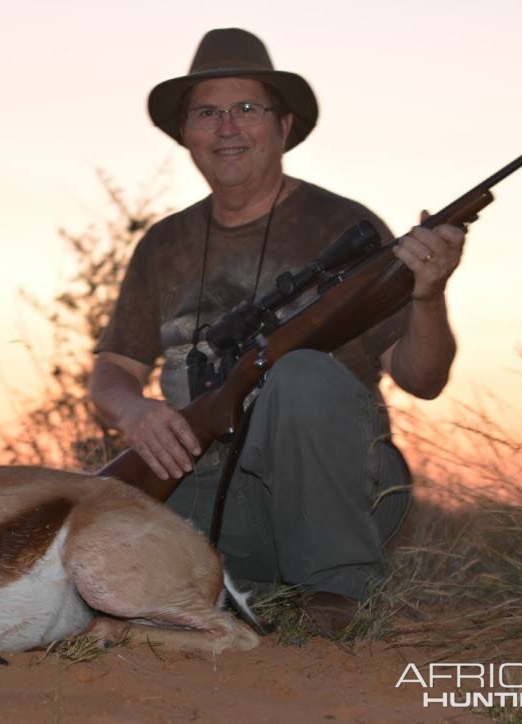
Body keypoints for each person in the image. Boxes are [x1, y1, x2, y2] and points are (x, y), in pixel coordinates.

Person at [89, 28, 466, 635]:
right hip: (211, 492)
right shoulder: (164, 243)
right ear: (186, 135)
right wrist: (134, 411)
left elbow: (423, 379)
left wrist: (428, 295)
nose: (227, 128)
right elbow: (115, 371)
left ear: (283, 126)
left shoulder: (348, 227)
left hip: (341, 493)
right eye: (207, 114)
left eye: (246, 109)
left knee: (298, 372)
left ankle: (337, 594)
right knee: (86, 538)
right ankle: (233, 592)